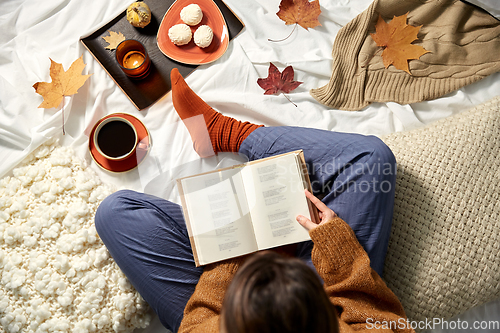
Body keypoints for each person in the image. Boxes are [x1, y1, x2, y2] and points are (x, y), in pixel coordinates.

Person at [95, 69, 413, 333]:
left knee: (115, 213)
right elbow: (381, 318)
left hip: (225, 307)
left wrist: (237, 253)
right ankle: (226, 133)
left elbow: (197, 323)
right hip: (319, 296)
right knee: (371, 158)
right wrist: (336, 249)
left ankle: (222, 135)